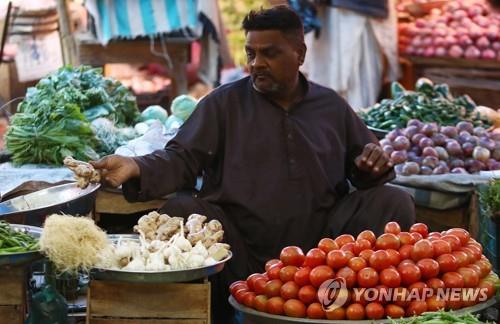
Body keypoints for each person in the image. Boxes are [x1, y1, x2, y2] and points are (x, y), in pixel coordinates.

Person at [91, 6, 415, 322]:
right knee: (180, 208)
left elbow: (366, 165)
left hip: (322, 252)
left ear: (299, 54)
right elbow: (181, 157)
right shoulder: (223, 103)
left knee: (392, 200)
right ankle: (218, 314)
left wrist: (372, 166)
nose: (256, 63)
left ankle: (350, 306)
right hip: (238, 248)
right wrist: (136, 167)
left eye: (270, 53)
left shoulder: (331, 106)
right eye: (251, 53)